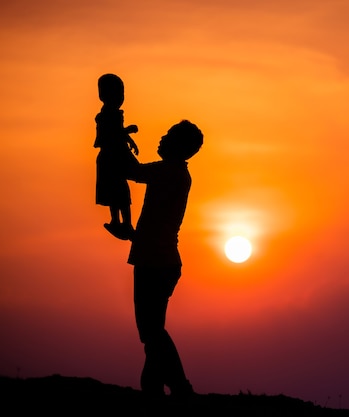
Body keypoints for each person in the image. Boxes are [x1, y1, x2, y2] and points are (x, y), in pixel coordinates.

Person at [126, 119, 203, 403]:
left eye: (168, 136)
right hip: (159, 259)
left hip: (156, 262)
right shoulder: (174, 174)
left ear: (179, 146)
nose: (161, 138)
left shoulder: (170, 172)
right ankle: (154, 389)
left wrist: (118, 143)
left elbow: (130, 171)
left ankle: (180, 386)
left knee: (151, 331)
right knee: (152, 331)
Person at [94, 73, 140, 240]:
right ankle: (117, 221)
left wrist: (129, 139)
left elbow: (118, 133)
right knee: (116, 192)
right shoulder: (106, 116)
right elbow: (111, 134)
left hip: (116, 155)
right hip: (110, 157)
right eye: (117, 94)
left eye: (122, 94)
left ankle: (126, 223)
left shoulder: (113, 114)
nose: (120, 98)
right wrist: (128, 131)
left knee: (121, 192)